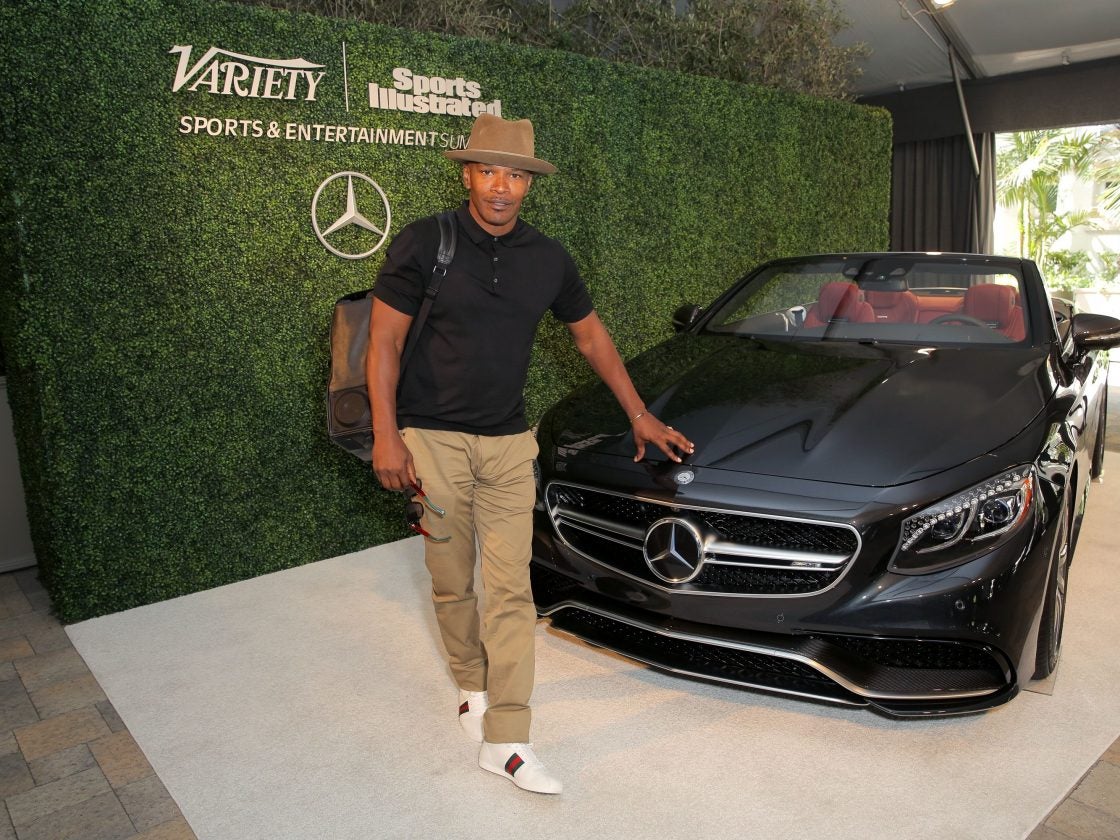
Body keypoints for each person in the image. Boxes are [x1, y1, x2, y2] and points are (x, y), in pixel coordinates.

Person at [366, 113, 694, 795]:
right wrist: (386, 434)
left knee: (512, 588)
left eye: (514, 175)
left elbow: (591, 338)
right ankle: (471, 683)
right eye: (488, 170)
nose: (500, 186)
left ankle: (508, 738)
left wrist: (639, 414)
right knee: (452, 578)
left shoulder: (548, 259)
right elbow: (385, 342)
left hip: (510, 444)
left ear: (529, 185)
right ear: (467, 174)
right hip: (432, 439)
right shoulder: (425, 242)